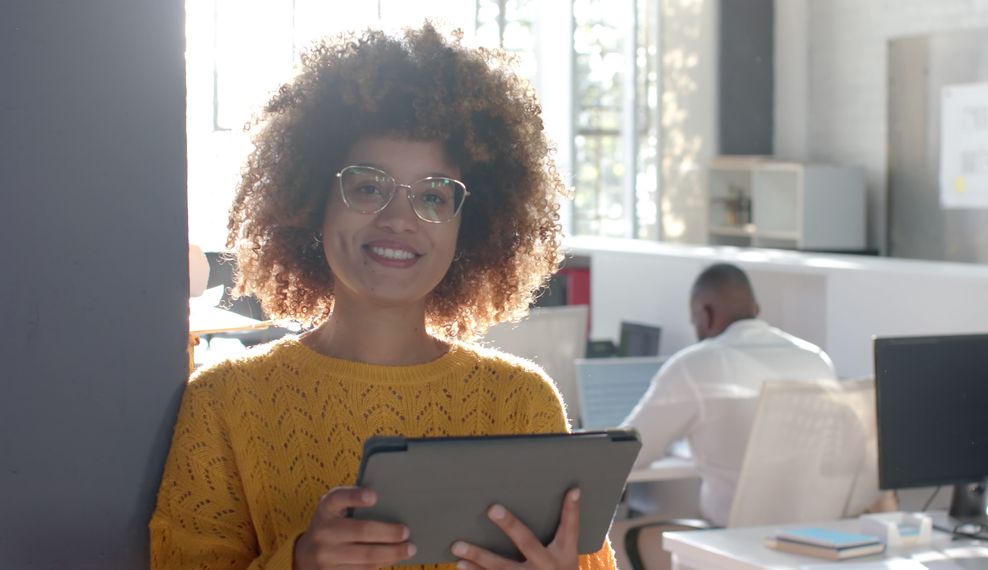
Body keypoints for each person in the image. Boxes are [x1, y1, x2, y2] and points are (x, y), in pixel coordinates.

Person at [150, 23, 616, 570]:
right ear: (312, 199)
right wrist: (297, 564)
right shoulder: (224, 404)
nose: (398, 220)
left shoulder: (521, 403)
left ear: (473, 222)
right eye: (368, 186)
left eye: (434, 196)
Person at [621, 263, 837, 527]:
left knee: (615, 538)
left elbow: (628, 453)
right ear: (755, 310)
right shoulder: (816, 360)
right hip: (815, 541)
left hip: (732, 543)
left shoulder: (696, 364)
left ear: (706, 314)